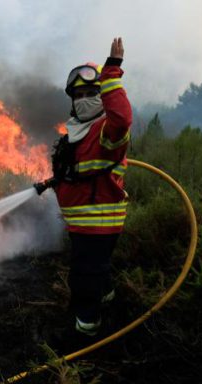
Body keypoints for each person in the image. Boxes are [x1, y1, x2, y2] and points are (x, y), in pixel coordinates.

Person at [52, 38, 132, 336]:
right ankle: (107, 297)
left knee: (85, 276)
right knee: (97, 268)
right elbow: (79, 171)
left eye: (91, 93)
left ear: (102, 97)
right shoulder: (76, 132)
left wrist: (112, 73)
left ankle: (86, 332)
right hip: (82, 224)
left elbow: (122, 118)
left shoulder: (105, 131)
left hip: (99, 222)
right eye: (79, 94)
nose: (84, 99)